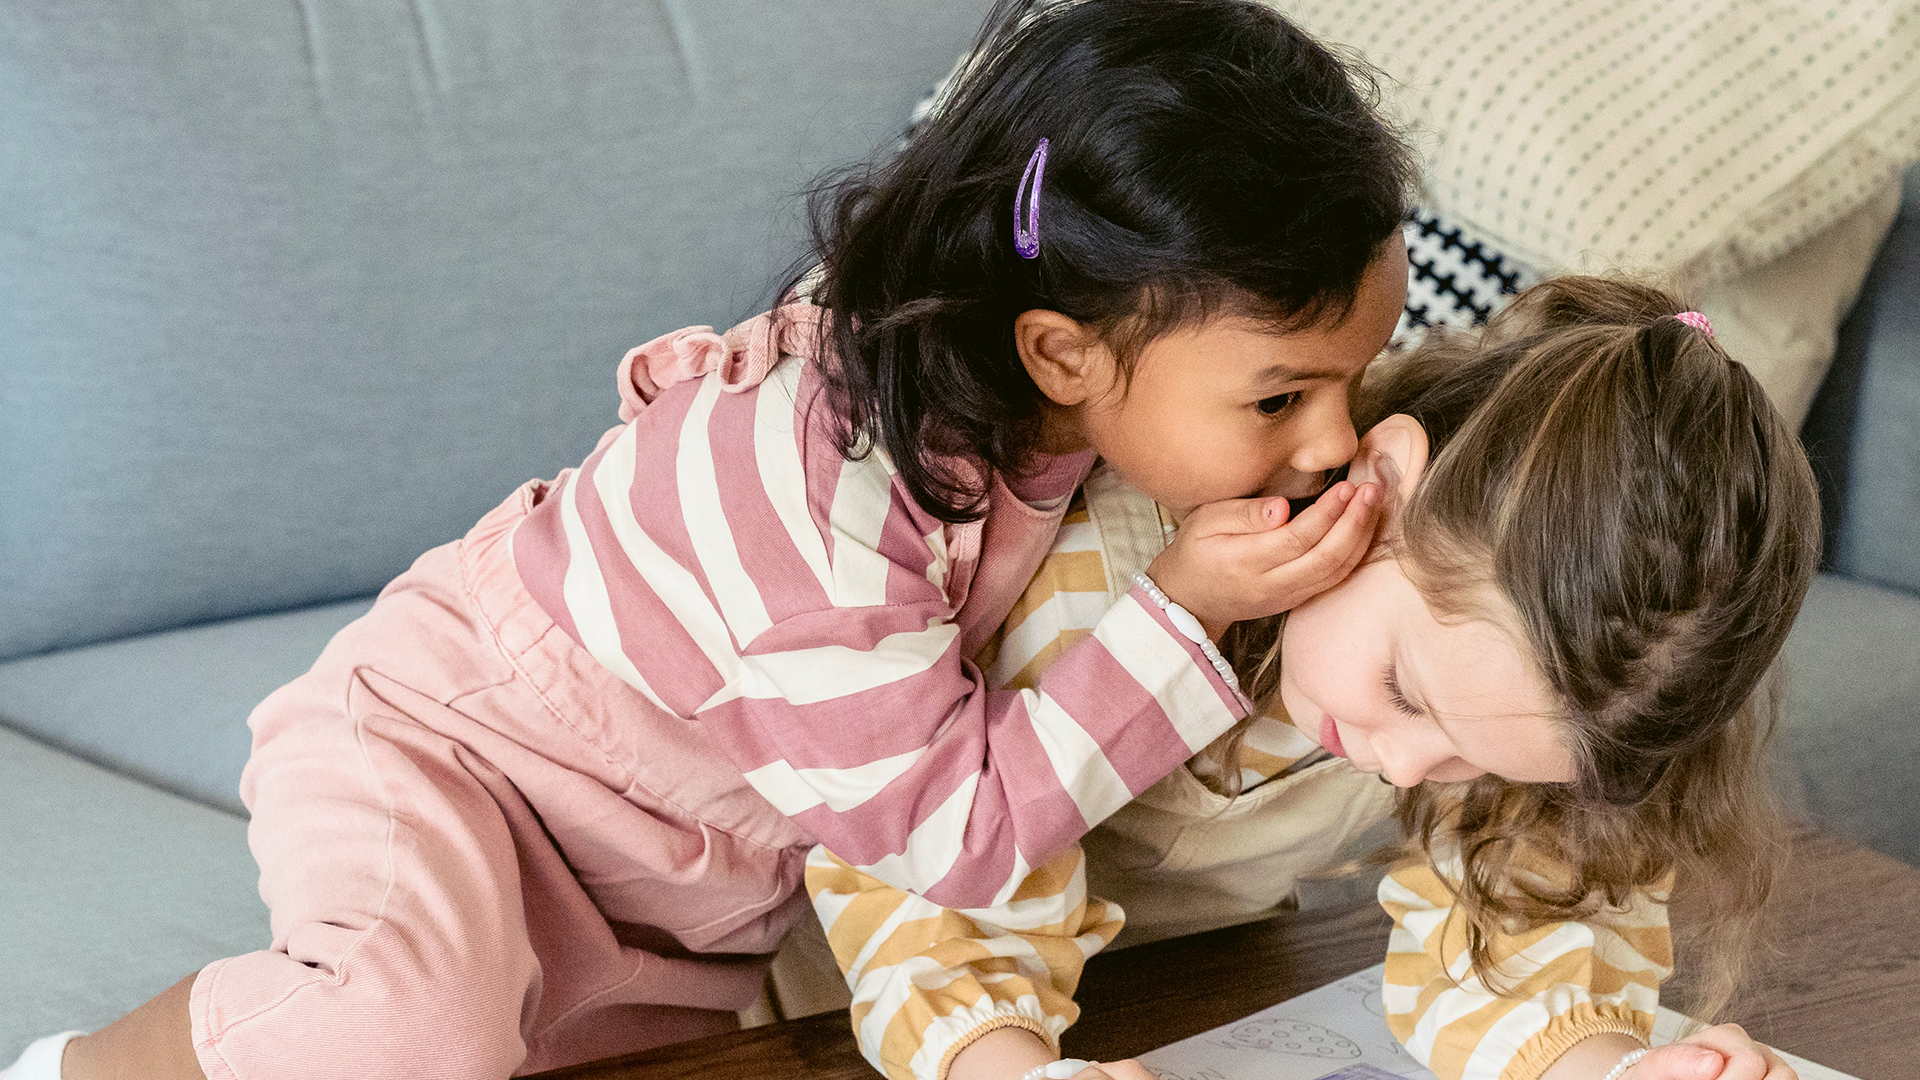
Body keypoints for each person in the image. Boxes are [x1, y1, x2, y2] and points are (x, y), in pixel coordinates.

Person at [3, 2, 1419, 1078]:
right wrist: (1179, 607)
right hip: (464, 762)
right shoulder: (815, 481)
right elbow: (946, 836)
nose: (1331, 440)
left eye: (1355, 379)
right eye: (1282, 396)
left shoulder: (1063, 413)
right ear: (1060, 349)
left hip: (682, 889)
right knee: (393, 1030)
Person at [806, 279, 1819, 1080]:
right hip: (837, 1010)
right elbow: (931, 880)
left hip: (1170, 1007)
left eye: (1472, 754)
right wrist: (1011, 1067)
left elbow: (1521, 946)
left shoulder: (1501, 676)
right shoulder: (1086, 571)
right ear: (1378, 485)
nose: (1415, 766)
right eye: (1411, 697)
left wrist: (1622, 1064)